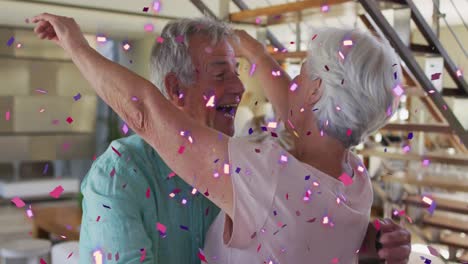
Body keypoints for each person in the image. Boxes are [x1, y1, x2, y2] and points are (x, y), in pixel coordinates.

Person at [30, 13, 411, 263]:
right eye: (221, 73)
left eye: (302, 74)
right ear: (177, 89)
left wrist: (76, 46)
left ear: (314, 92)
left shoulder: (264, 167)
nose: (241, 86)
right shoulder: (354, 180)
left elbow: (144, 110)